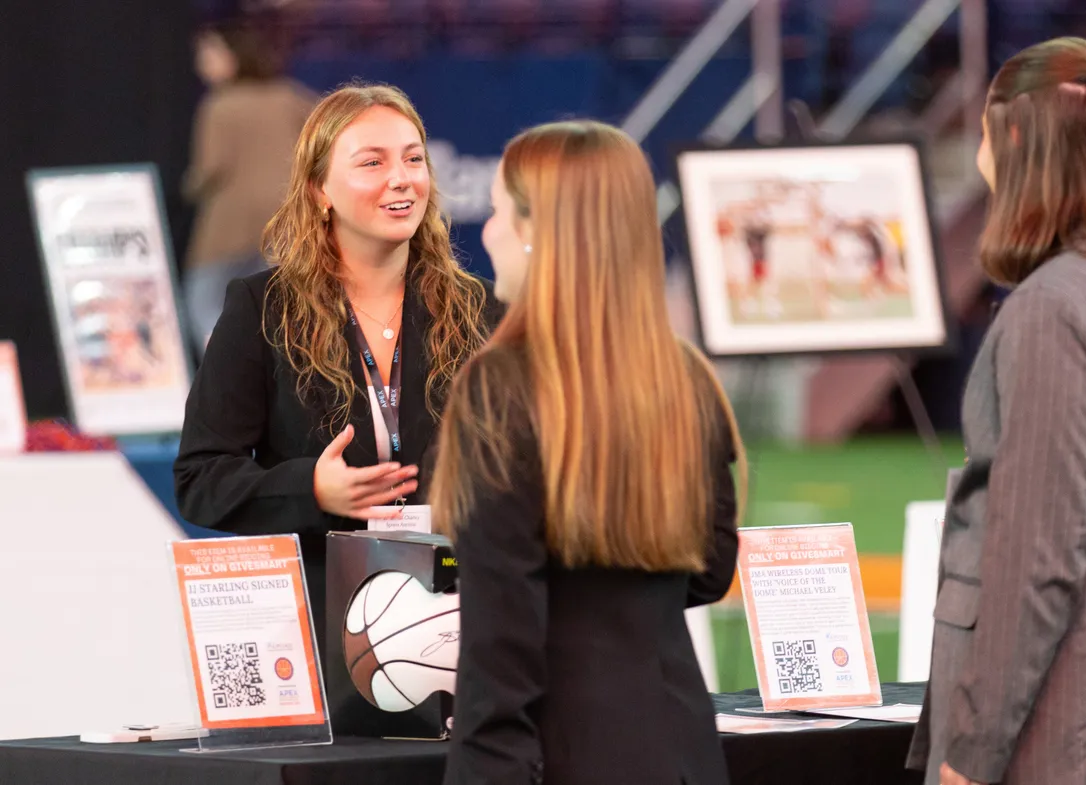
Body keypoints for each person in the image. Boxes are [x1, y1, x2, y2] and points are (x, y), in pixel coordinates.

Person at [430, 120, 748, 785]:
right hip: (681, 747)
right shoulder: (685, 377)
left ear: (537, 230)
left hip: (559, 752)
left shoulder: (501, 385)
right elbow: (710, 567)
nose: (484, 232)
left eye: (496, 210)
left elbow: (501, 631)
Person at [174, 84, 503, 648]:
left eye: (413, 158)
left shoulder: (484, 311)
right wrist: (312, 490)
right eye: (372, 162)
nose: (401, 178)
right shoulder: (263, 308)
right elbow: (201, 477)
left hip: (463, 624)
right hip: (324, 628)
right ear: (319, 190)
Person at [908, 37, 1086, 785]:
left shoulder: (1052, 309)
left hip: (1049, 736)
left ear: (1016, 137)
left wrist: (973, 752)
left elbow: (1038, 558)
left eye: (983, 132)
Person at [182, 19, 317, 355]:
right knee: (276, 307)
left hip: (231, 225)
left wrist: (187, 188)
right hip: (286, 219)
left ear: (234, 56)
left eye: (210, 52)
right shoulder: (290, 95)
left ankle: (223, 372)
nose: (203, 61)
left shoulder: (219, 105)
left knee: (202, 296)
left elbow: (210, 168)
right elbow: (331, 129)